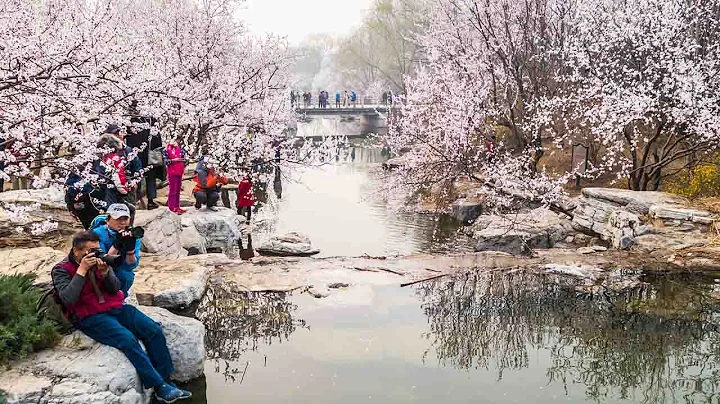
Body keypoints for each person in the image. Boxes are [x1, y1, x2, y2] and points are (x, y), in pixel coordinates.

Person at [51, 231, 192, 403]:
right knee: (127, 340)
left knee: (153, 329)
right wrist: (82, 270)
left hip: (115, 307)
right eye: (90, 250)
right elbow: (68, 298)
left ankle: (166, 381)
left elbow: (115, 287)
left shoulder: (100, 261)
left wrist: (105, 273)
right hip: (89, 315)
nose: (95, 253)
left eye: (97, 249)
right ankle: (158, 385)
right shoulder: (61, 270)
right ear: (76, 251)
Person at [91, 203, 141, 297]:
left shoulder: (133, 235)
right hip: (100, 270)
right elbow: (103, 261)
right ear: (108, 220)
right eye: (118, 219)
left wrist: (130, 250)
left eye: (125, 219)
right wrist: (117, 245)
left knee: (126, 276)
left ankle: (120, 297)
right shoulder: (97, 233)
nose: (122, 223)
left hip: (120, 269)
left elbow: (131, 266)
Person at [126, 117, 161, 210]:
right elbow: (158, 138)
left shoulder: (131, 120)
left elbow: (127, 137)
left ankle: (137, 200)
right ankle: (150, 201)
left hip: (135, 153)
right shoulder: (151, 120)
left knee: (137, 176)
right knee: (150, 178)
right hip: (150, 155)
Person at [163, 137, 189, 215]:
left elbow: (186, 158)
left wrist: (184, 161)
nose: (177, 142)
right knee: (172, 190)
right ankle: (171, 207)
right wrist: (173, 160)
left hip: (179, 170)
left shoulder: (180, 149)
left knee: (178, 190)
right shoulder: (167, 150)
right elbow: (165, 161)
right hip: (172, 171)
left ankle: (177, 206)